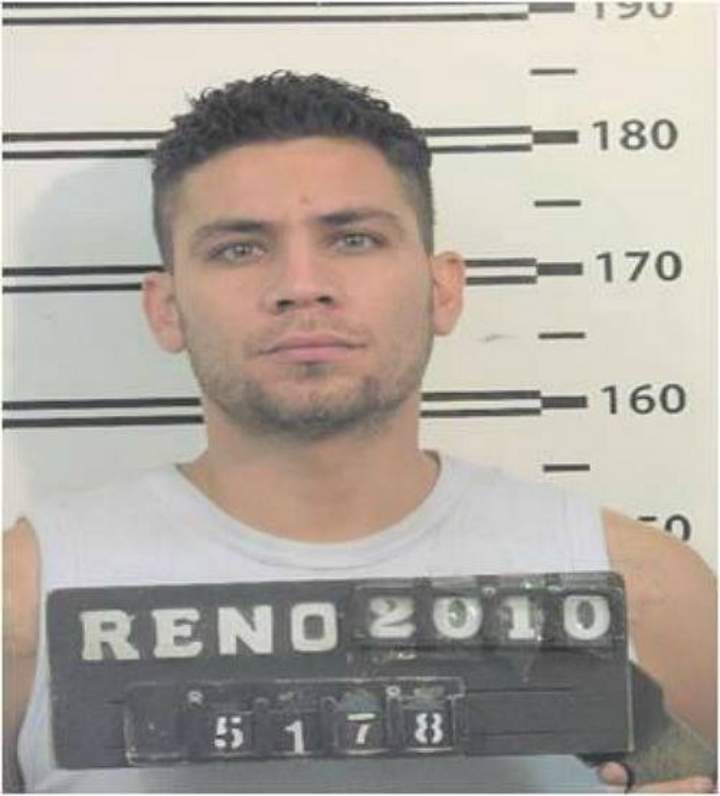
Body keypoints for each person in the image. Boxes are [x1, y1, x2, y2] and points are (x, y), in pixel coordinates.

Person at [4, 72, 716, 793]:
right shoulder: (25, 603)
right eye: (239, 249)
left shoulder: (649, 593)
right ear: (166, 309)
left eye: (354, 238)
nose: (301, 285)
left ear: (442, 289)